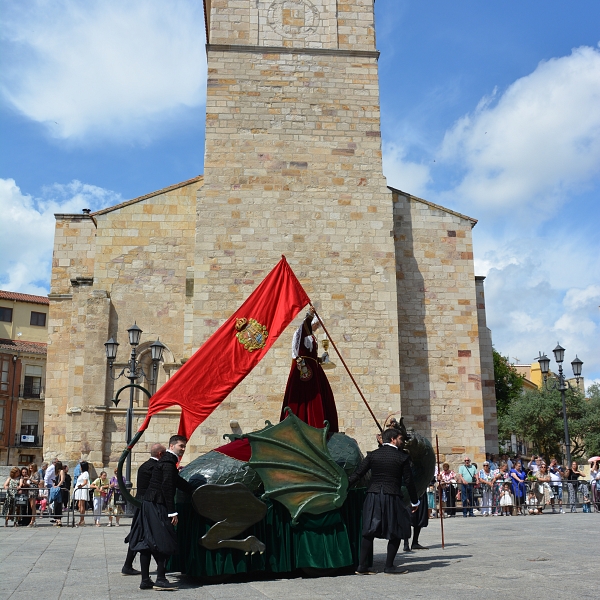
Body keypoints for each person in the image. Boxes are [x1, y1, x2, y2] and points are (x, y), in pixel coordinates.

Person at [348, 428, 419, 575]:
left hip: (373, 495)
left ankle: (362, 567)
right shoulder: (402, 457)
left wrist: (345, 486)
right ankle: (389, 566)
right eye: (400, 439)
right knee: (397, 530)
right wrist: (415, 501)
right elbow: (409, 481)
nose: (402, 441)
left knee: (368, 531)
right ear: (393, 439)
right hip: (392, 495)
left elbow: (358, 473)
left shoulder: (373, 455)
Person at [128, 436, 195, 590]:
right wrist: (172, 512)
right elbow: (167, 486)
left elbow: (175, 481)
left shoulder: (166, 461)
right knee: (164, 539)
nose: (183, 449)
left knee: (147, 540)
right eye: (181, 446)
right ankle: (160, 579)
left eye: (184, 446)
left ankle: (145, 580)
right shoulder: (168, 462)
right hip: (157, 504)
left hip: (149, 503)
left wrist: (192, 488)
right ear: (172, 445)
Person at [279, 307, 339, 432]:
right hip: (304, 370)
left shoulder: (312, 337)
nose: (317, 327)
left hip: (314, 370)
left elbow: (311, 356)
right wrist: (310, 315)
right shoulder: (302, 333)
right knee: (306, 397)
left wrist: (321, 359)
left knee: (323, 395)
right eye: (316, 324)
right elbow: (304, 328)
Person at [122, 443, 166, 575]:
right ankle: (160, 566)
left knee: (138, 533)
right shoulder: (154, 467)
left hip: (141, 502)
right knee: (145, 534)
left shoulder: (145, 465)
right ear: (160, 454)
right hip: (146, 504)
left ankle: (128, 565)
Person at [73, 461, 90, 526]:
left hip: (82, 490)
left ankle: (82, 520)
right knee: (79, 505)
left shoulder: (85, 473)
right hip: (79, 490)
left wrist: (81, 486)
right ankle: (81, 519)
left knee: (82, 505)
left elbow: (85, 482)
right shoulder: (82, 473)